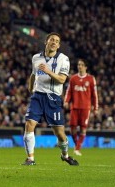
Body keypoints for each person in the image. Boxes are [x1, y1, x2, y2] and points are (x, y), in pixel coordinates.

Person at [22, 32, 79, 166]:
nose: (54, 42)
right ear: (46, 42)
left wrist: (48, 71)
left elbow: (62, 79)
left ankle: (65, 155)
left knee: (60, 133)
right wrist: (31, 89)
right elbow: (33, 74)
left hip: (53, 98)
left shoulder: (63, 59)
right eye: (51, 39)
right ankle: (30, 159)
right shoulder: (36, 58)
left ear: (58, 46)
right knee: (29, 124)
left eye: (57, 41)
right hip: (38, 96)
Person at [64, 59, 98, 156]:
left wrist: (95, 108)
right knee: (72, 128)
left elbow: (94, 95)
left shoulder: (91, 79)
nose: (80, 66)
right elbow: (69, 91)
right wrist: (66, 101)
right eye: (79, 64)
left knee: (83, 129)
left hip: (85, 108)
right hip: (74, 107)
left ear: (86, 67)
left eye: (82, 65)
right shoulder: (73, 78)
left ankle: (77, 148)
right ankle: (77, 146)